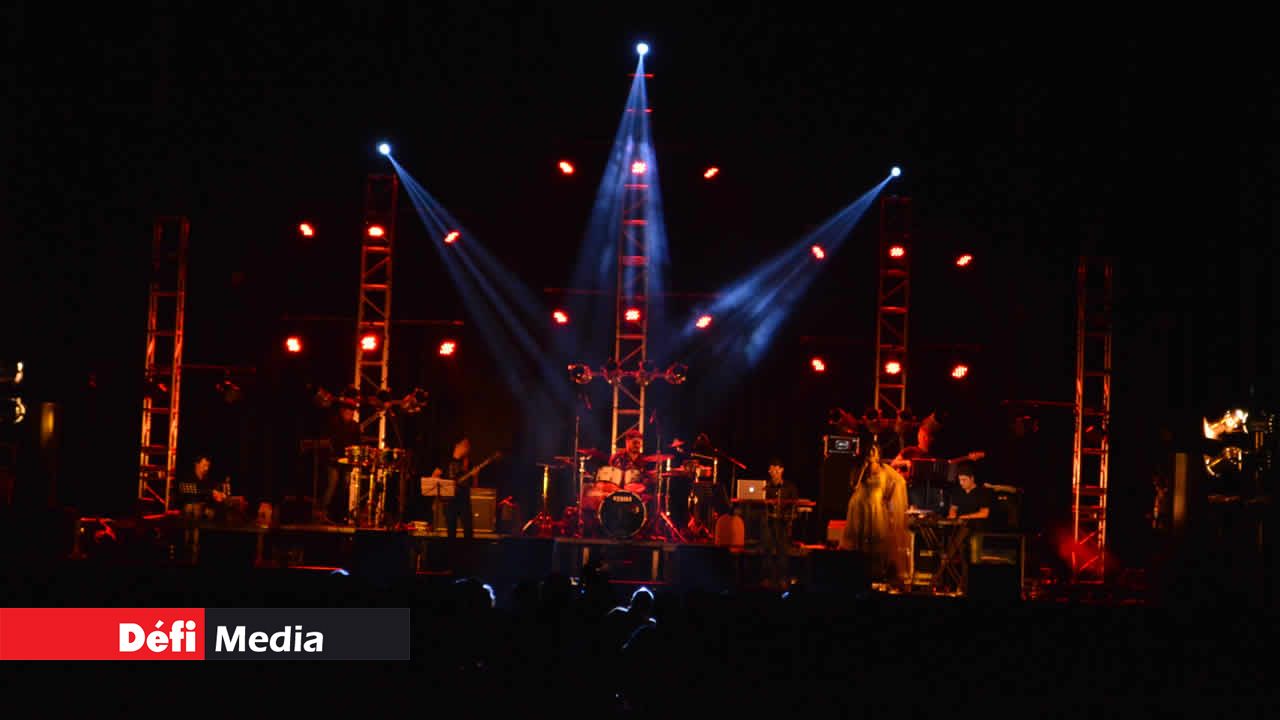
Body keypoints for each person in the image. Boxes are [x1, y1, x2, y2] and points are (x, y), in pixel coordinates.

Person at [839, 439, 910, 588]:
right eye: (870, 450)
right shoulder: (860, 468)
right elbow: (854, 485)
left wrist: (887, 497)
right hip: (859, 506)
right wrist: (863, 468)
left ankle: (876, 573)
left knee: (877, 539)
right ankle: (857, 572)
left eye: (874, 450)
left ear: (878, 452)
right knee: (859, 539)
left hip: (876, 507)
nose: (872, 453)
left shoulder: (884, 469)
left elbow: (899, 481)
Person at [319, 394, 363, 523]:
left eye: (352, 411)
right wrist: (333, 454)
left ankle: (340, 513)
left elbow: (357, 444)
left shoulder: (355, 426)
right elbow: (328, 442)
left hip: (347, 461)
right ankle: (323, 511)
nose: (350, 413)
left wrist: (353, 455)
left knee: (346, 484)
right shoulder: (333, 423)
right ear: (342, 411)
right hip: (333, 460)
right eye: (348, 410)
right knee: (332, 482)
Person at [760, 457, 799, 590]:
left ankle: (782, 578)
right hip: (768, 521)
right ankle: (767, 578)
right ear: (769, 471)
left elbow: (795, 504)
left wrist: (789, 516)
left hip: (783, 522)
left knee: (782, 550)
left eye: (777, 470)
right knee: (767, 548)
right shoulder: (765, 487)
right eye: (772, 471)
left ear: (782, 470)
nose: (774, 473)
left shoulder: (790, 487)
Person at [432, 436, 474, 540]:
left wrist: (476, 475)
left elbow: (474, 486)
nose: (467, 447)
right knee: (451, 531)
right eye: (465, 445)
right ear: (457, 445)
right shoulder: (446, 460)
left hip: (464, 501)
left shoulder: (468, 463)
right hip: (449, 501)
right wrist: (446, 485)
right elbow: (434, 476)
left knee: (468, 530)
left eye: (468, 446)